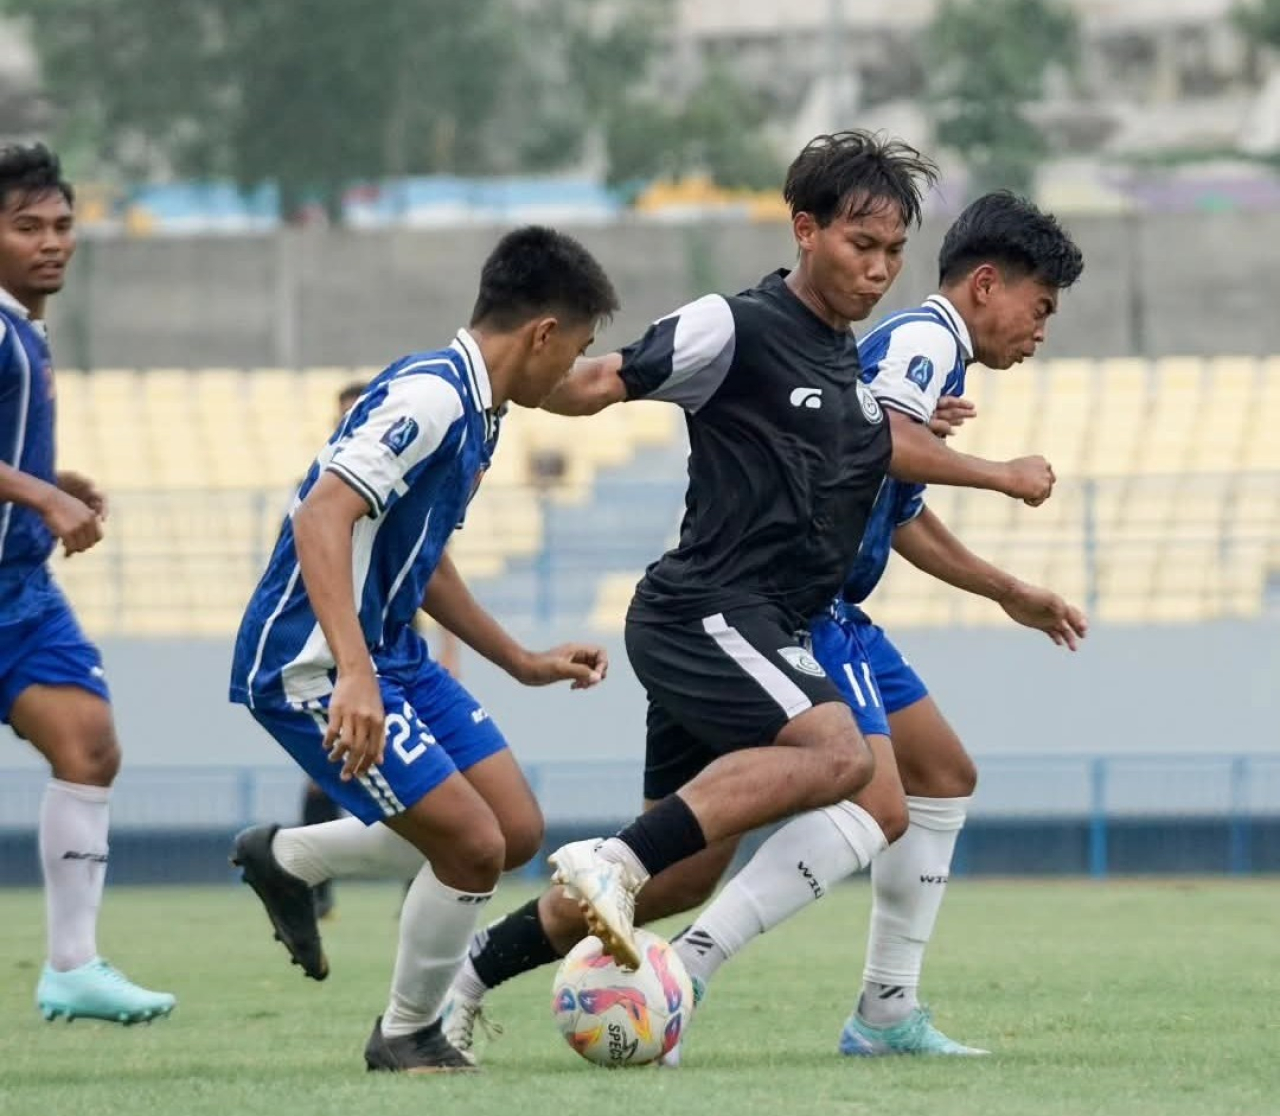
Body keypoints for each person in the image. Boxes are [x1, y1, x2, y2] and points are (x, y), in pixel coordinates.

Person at [442, 190, 1086, 1063]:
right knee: (853, 774)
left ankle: (466, 981)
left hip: (784, 609)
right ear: (808, 232)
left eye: (894, 248)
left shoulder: (845, 360)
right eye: (866, 243)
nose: (881, 267)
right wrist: (998, 472)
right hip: (748, 609)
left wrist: (1004, 586)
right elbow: (884, 437)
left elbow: (884, 483)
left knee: (698, 865)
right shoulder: (902, 338)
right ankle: (694, 962)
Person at [227, 225, 618, 1073]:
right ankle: (406, 1033)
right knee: (470, 847)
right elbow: (321, 515)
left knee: (511, 830)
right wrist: (354, 676)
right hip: (314, 659)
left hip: (390, 649)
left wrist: (520, 659)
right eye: (579, 351)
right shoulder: (432, 397)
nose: (575, 372)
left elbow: (422, 552)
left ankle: (286, 857)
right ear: (542, 334)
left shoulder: (481, 413)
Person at [0, 143, 175, 1023]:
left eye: (62, 225)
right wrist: (36, 491)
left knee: (90, 746)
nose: (51, 242)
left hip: (16, 591)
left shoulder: (24, 327)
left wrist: (49, 478)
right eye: (26, 226)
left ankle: (71, 964)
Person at [298, 379, 464, 922]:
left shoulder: (408, 480)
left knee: (433, 781)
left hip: (399, 651)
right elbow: (310, 551)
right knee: (334, 766)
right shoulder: (325, 492)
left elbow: (434, 569)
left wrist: (452, 654)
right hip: (340, 651)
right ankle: (308, 881)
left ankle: (413, 892)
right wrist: (348, 662)